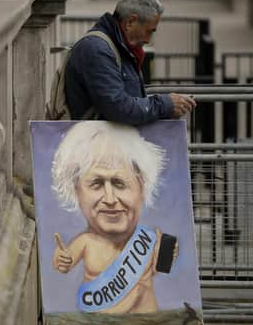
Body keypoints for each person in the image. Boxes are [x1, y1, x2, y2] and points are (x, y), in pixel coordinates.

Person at [50, 121, 178, 314]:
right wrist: (61, 259)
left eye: (119, 183)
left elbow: (163, 270)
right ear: (76, 190)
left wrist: (166, 255)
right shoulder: (85, 242)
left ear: (142, 187)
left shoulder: (152, 240)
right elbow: (62, 264)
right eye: (96, 184)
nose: (110, 199)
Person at [65, 0, 196, 125]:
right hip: (95, 142)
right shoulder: (97, 49)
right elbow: (118, 108)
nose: (148, 40)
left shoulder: (121, 48)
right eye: (149, 31)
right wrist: (165, 105)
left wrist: (165, 106)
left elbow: (126, 102)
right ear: (130, 22)